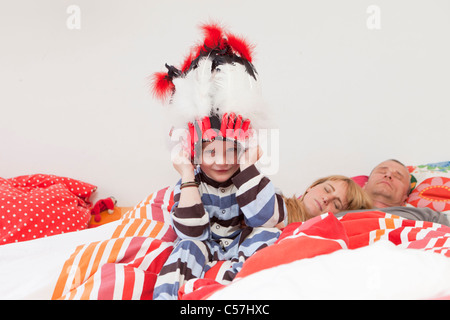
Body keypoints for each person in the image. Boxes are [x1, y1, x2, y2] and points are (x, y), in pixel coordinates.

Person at [150, 23, 286, 300]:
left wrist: (248, 166)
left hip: (242, 243)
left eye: (231, 152)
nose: (222, 161)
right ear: (196, 154)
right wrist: (188, 174)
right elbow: (193, 232)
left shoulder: (254, 178)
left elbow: (267, 219)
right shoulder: (190, 183)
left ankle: (245, 293)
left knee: (267, 238)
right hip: (205, 243)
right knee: (185, 247)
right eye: (211, 152)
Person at [335, 159, 450, 226]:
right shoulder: (337, 208)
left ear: (405, 197)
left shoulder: (427, 216)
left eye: (397, 177)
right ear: (364, 185)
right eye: (382, 171)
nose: (388, 175)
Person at [281, 175, 373, 226]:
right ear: (312, 187)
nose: (326, 199)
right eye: (326, 190)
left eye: (336, 205)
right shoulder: (273, 201)